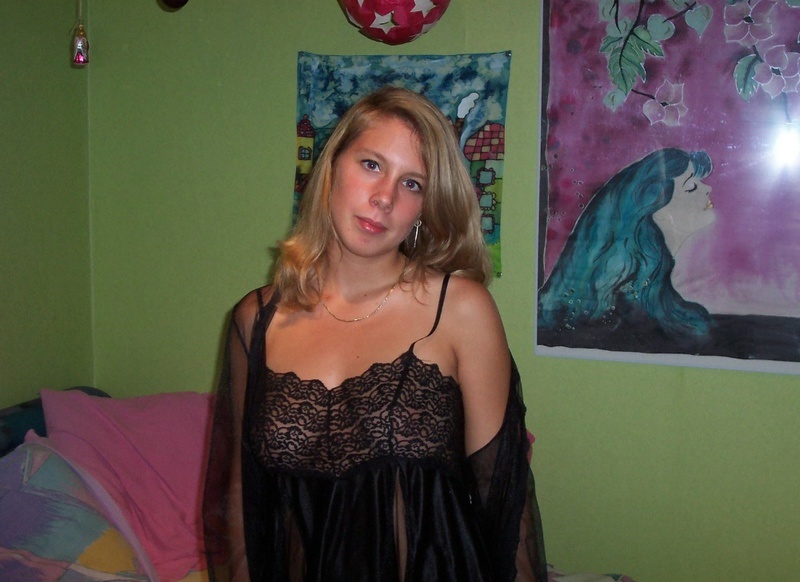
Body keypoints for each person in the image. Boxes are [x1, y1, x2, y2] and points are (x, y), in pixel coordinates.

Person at [203, 86, 547, 581]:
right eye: (371, 165)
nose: (385, 198)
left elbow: (506, 503)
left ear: (425, 207)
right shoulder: (255, 320)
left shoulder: (460, 310)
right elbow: (241, 500)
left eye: (412, 184)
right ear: (331, 169)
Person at [538, 148, 715, 350]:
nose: (708, 188)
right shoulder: (629, 321)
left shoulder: (663, 305)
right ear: (655, 207)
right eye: (691, 186)